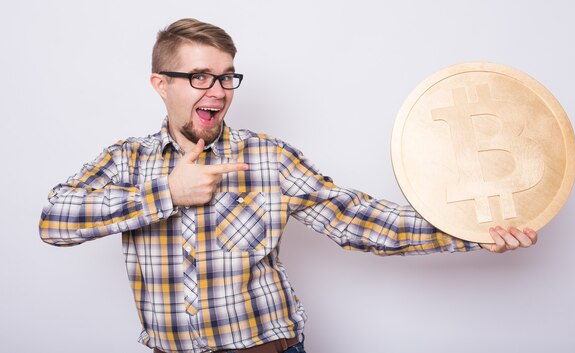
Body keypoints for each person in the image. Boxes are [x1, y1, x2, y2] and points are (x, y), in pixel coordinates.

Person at [39, 18, 537, 353]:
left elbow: (358, 220)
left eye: (226, 77)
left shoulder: (268, 157)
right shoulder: (126, 160)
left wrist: (469, 229)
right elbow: (54, 221)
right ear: (160, 83)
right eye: (199, 76)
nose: (217, 90)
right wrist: (168, 192)